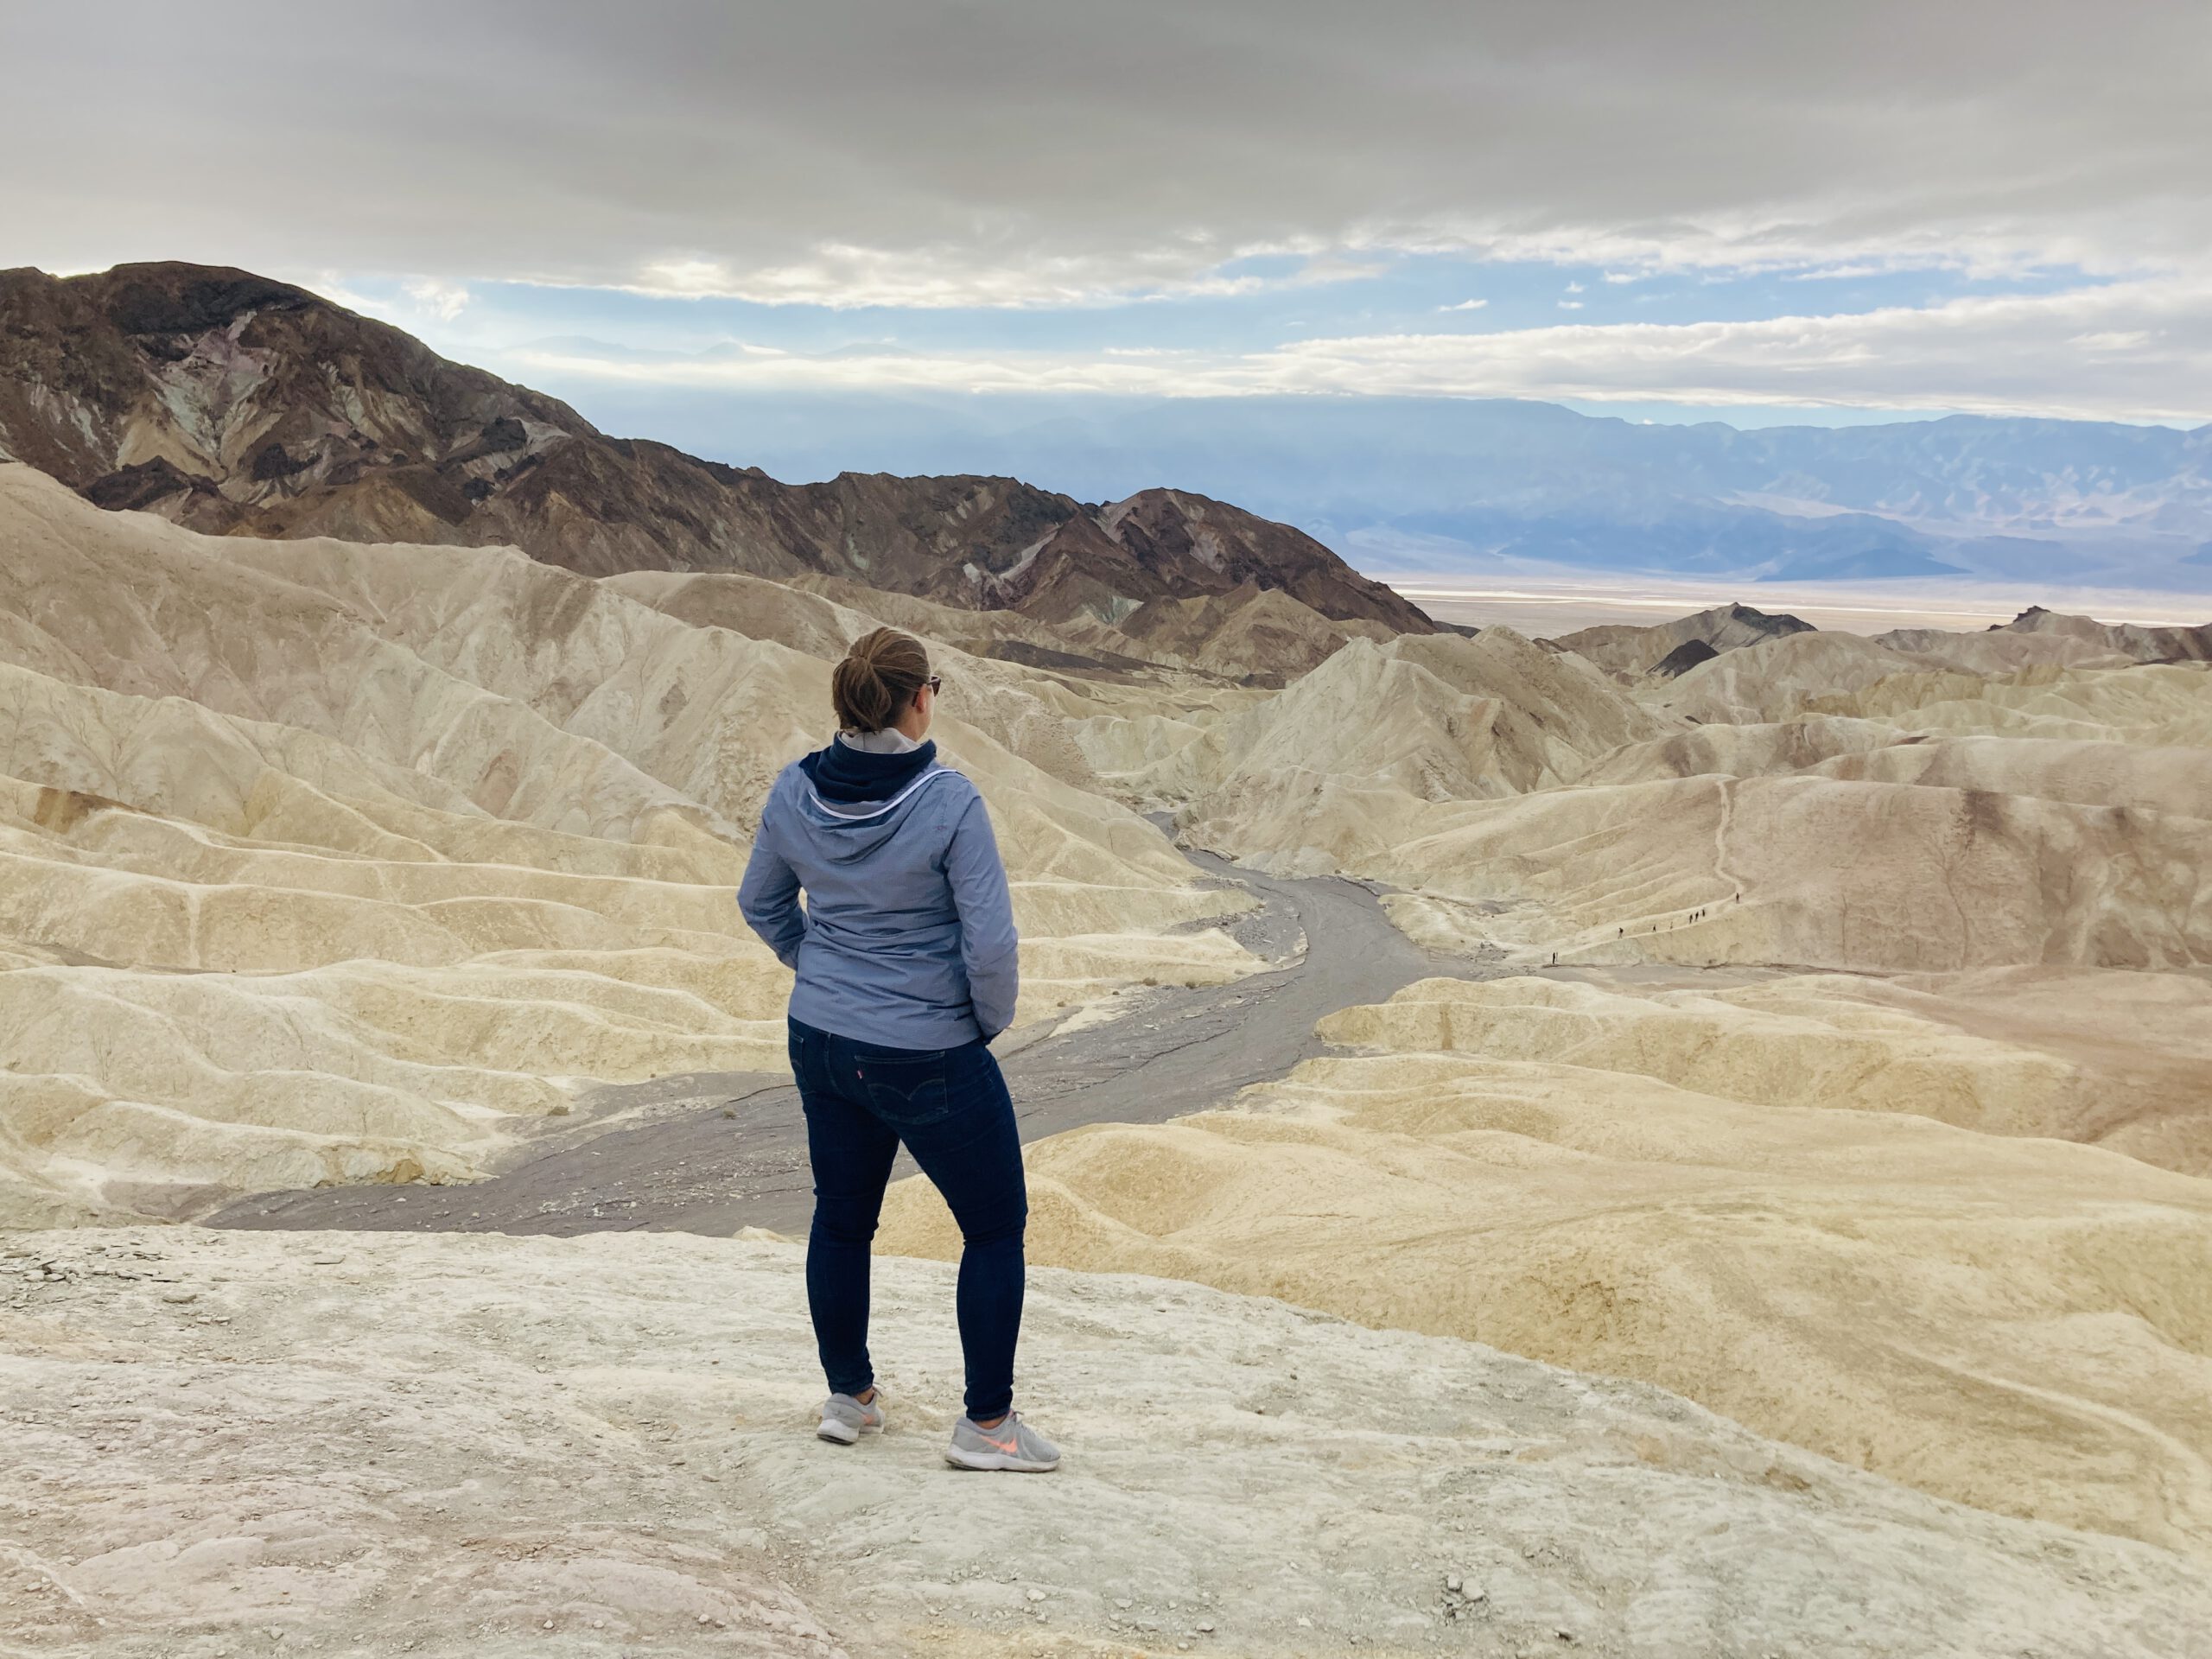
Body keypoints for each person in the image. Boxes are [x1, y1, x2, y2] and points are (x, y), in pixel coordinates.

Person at [738, 627, 1059, 1473]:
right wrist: (976, 1025)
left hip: (821, 1037)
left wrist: (821, 971)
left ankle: (849, 1399)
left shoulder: (792, 792)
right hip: (927, 1047)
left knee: (841, 1219)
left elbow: (759, 900)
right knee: (993, 1228)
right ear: (919, 698)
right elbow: (991, 948)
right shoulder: (950, 804)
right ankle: (987, 1428)